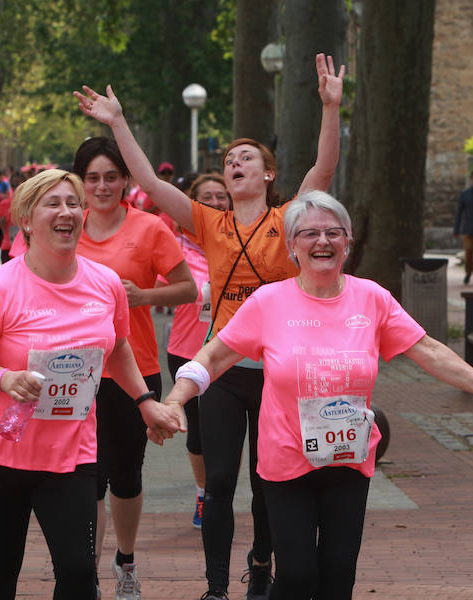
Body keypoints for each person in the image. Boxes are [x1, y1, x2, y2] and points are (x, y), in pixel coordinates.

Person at [75, 52, 344, 600]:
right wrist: (117, 122)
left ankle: (261, 565)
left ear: (268, 173)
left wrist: (331, 107)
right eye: (228, 159)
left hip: (279, 372)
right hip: (222, 367)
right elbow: (148, 180)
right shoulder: (208, 221)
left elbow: (324, 171)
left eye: (246, 158)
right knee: (218, 482)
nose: (234, 164)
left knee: (270, 481)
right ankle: (217, 587)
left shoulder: (289, 218)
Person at [158, 190, 473, 599]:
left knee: (338, 576)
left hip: (348, 460)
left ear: (348, 241)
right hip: (287, 461)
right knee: (296, 576)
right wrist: (175, 400)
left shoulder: (372, 298)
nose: (322, 242)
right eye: (309, 233)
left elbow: (428, 350)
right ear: (292, 245)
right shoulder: (269, 301)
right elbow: (214, 356)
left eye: (333, 232)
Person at [0, 169, 184, 600]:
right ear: (26, 219)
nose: (67, 212)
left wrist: (146, 403)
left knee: (79, 573)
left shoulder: (105, 283)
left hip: (71, 455)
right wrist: (6, 379)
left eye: (74, 204)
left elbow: (117, 348)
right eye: (53, 204)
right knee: (0, 571)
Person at [71, 136, 196, 600]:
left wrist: (144, 296)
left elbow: (187, 290)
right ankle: (85, 573)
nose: (102, 186)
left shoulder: (150, 229)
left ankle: (125, 560)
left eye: (111, 177)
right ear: (80, 183)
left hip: (134, 371)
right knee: (87, 476)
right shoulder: (67, 226)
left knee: (125, 475)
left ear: (125, 180)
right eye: (92, 178)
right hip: (75, 372)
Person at [161, 173, 230, 529]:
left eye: (222, 196)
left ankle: (222, 494)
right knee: (200, 432)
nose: (217, 203)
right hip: (186, 352)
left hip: (231, 353)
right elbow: (153, 287)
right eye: (207, 198)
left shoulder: (240, 246)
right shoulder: (176, 248)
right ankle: (204, 494)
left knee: (224, 428)